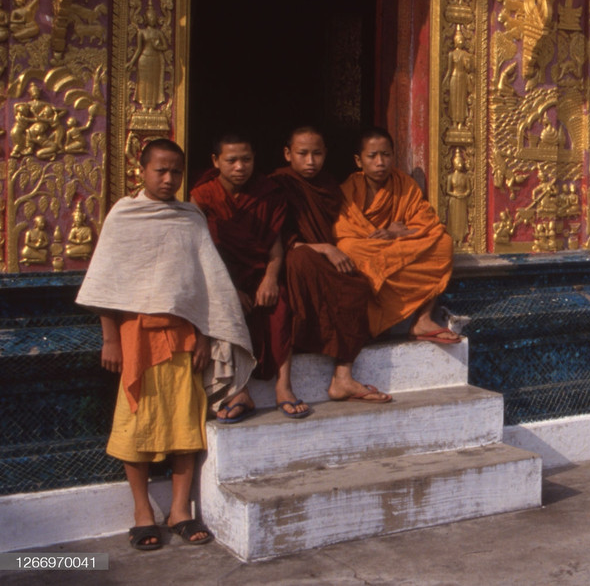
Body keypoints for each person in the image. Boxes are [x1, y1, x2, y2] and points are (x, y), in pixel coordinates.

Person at [76, 139, 254, 551]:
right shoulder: (125, 214)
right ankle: (142, 512)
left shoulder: (190, 217)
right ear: (141, 170)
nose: (169, 179)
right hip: (135, 338)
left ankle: (179, 511)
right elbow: (105, 283)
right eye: (160, 170)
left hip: (184, 339)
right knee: (135, 428)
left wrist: (206, 335)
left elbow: (205, 285)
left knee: (185, 428)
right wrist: (110, 340)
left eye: (176, 171)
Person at [191, 134, 309, 421]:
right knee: (224, 310)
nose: (240, 167)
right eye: (231, 161)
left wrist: (270, 278)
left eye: (246, 160)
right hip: (220, 279)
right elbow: (199, 250)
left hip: (258, 273)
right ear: (216, 161)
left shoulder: (267, 193)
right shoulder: (203, 196)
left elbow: (275, 243)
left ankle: (284, 386)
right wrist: (230, 289)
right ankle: (238, 390)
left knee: (281, 303)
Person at [270, 126, 390, 403]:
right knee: (301, 261)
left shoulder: (328, 187)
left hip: (323, 259)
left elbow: (350, 225)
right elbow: (275, 238)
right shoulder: (277, 185)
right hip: (293, 257)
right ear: (288, 154)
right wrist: (324, 248)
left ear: (326, 155)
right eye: (302, 154)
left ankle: (342, 377)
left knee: (357, 287)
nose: (310, 161)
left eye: (317, 154)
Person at [334, 127, 457, 342]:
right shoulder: (348, 189)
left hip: (395, 247)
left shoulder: (404, 185)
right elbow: (341, 231)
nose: (380, 162)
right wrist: (376, 237)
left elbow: (428, 225)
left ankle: (423, 319)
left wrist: (395, 235)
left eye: (386, 155)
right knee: (348, 249)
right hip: (367, 249)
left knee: (444, 244)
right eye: (372, 156)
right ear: (358, 160)